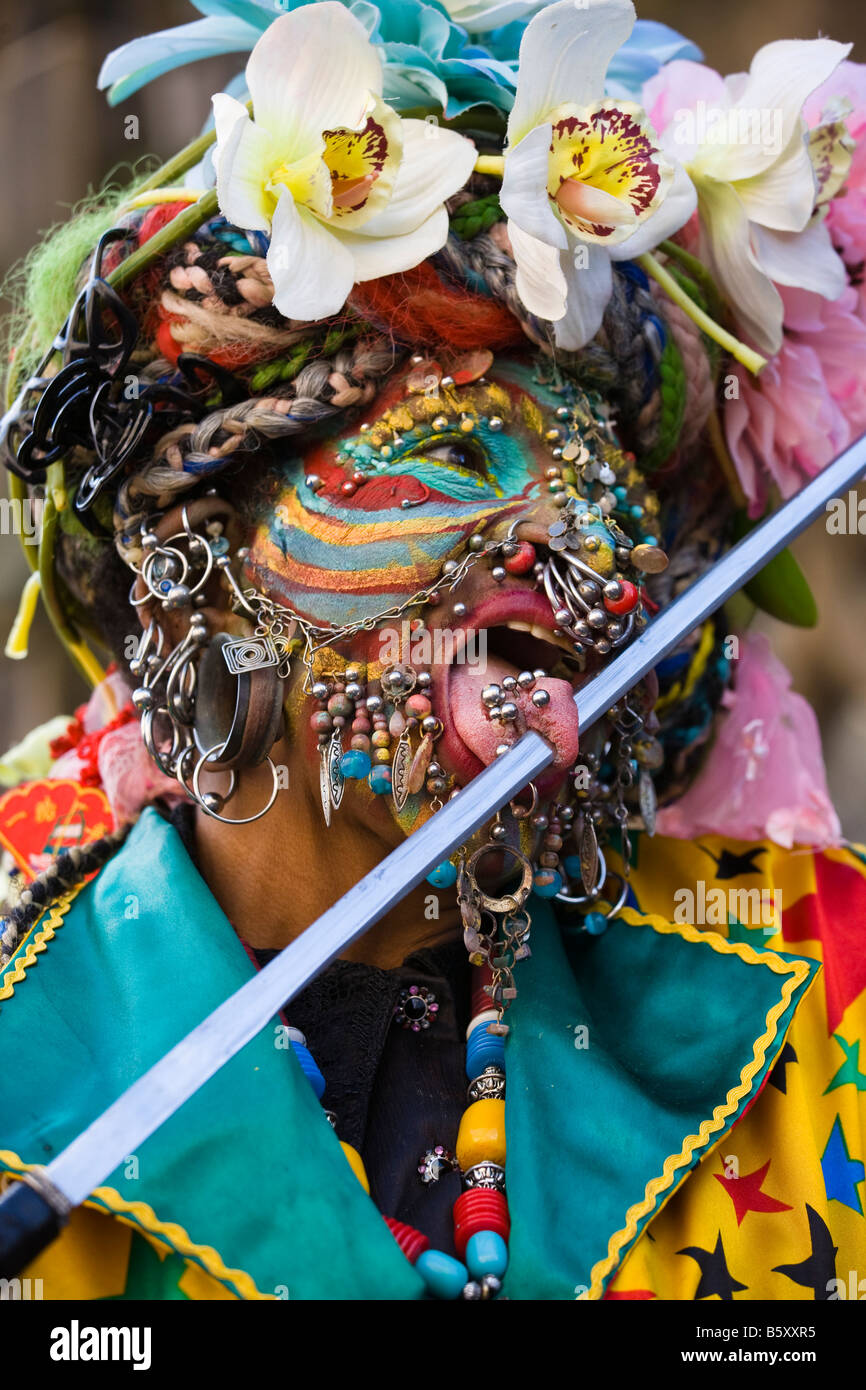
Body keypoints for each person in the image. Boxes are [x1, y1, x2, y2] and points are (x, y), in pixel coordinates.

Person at [0, 0, 864, 1302]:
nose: (554, 541)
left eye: (607, 505)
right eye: (455, 451)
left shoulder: (823, 993)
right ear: (195, 559)